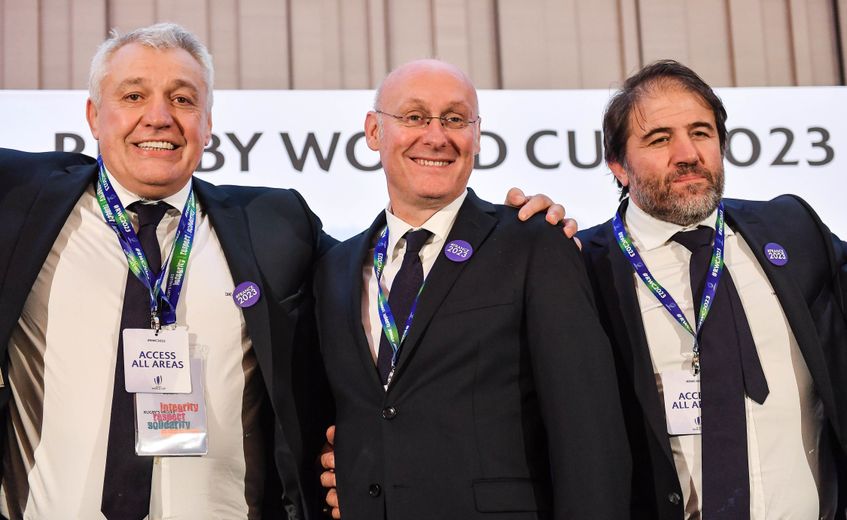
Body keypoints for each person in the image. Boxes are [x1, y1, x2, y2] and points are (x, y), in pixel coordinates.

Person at [0, 24, 568, 520]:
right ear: (93, 116)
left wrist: (517, 234)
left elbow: (396, 283)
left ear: (208, 123)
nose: (160, 117)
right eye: (133, 95)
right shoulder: (21, 202)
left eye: (183, 99)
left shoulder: (273, 224)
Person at [312, 59, 630, 520]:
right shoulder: (334, 269)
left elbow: (589, 433)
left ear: (477, 136)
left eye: (455, 119)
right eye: (414, 116)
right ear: (375, 131)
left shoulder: (533, 242)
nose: (436, 136)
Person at [577, 60, 847, 519]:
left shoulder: (792, 229)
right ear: (618, 166)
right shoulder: (583, 267)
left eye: (700, 133)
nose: (688, 153)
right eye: (660, 139)